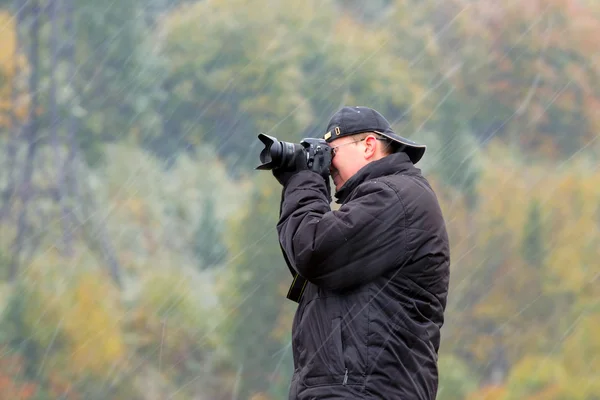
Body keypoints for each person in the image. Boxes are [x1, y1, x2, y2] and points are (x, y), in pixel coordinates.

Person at [272, 106, 451, 400]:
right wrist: (300, 181)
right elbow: (308, 260)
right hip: (356, 389)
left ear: (368, 145)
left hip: (367, 391)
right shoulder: (383, 201)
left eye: (333, 153)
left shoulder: (396, 197)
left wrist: (303, 180)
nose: (328, 166)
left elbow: (312, 252)